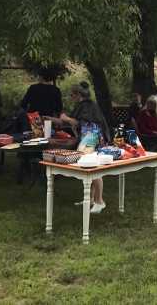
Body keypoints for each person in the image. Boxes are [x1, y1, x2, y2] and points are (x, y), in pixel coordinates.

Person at [45, 82, 111, 213]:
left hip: (92, 137)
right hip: (89, 138)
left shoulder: (87, 106)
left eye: (71, 94)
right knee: (90, 168)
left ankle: (100, 201)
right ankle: (91, 199)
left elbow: (75, 122)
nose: (70, 97)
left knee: (93, 168)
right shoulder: (83, 105)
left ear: (78, 94)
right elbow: (65, 121)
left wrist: (66, 118)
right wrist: (50, 119)